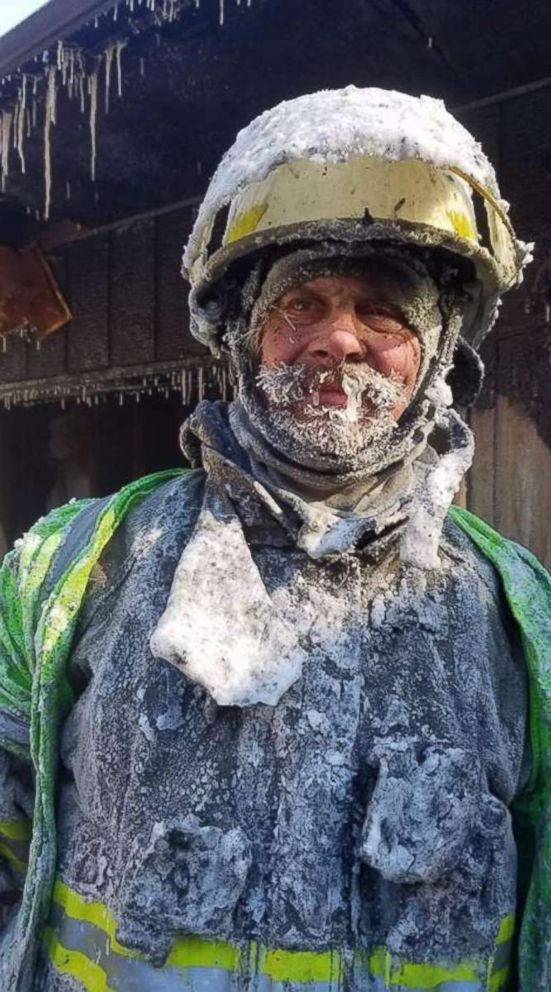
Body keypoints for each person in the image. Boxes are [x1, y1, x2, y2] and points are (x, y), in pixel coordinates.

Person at [0, 87, 549, 992]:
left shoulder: (515, 611)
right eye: (302, 305)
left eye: (383, 312)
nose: (338, 338)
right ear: (241, 338)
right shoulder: (74, 569)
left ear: (436, 352)